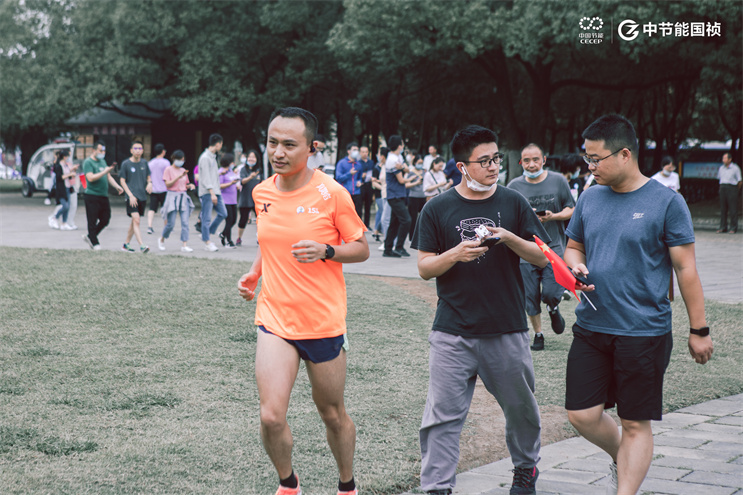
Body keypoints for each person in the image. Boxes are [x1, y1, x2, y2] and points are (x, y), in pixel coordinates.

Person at [564, 114, 714, 495]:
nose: (590, 166)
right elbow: (573, 245)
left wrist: (699, 330)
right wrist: (574, 263)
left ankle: (626, 488)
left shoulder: (667, 202)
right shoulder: (589, 197)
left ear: (625, 154)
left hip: (642, 332)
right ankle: (625, 457)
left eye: (596, 159)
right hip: (592, 326)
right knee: (581, 414)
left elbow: (686, 269)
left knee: (634, 422)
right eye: (587, 158)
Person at [237, 107, 369, 495]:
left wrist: (327, 250)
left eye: (289, 144)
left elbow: (361, 248)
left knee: (332, 413)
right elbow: (270, 240)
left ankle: (347, 485)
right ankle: (289, 484)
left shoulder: (332, 193)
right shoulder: (261, 191)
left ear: (311, 148)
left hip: (322, 321)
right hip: (275, 317)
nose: (278, 152)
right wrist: (255, 272)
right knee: (270, 415)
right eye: (272, 143)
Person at [411, 125, 549, 495]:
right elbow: (424, 268)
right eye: (483, 161)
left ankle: (525, 469)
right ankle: (437, 486)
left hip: (506, 327)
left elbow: (542, 257)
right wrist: (455, 254)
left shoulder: (513, 202)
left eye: (496, 158)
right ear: (462, 167)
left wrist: (510, 237)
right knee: (442, 417)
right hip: (451, 331)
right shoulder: (437, 208)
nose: (493, 166)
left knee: (521, 409)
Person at [507, 143, 575, 351]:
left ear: (544, 160)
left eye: (536, 159)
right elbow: (509, 217)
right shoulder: (513, 186)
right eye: (526, 160)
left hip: (553, 246)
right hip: (525, 249)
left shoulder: (558, 180)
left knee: (551, 292)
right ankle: (538, 334)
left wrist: (553, 216)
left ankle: (553, 307)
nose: (531, 164)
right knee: (530, 296)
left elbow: (571, 209)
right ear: (521, 162)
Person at [82, 141, 124, 250]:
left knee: (106, 219)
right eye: (100, 150)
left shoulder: (102, 161)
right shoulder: (88, 162)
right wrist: (104, 172)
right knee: (92, 220)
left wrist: (117, 186)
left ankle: (90, 236)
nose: (103, 153)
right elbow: (90, 178)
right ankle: (94, 242)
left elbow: (108, 176)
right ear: (94, 150)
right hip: (92, 195)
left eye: (104, 151)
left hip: (103, 195)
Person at [157, 150, 196, 252]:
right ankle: (162, 239)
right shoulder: (168, 169)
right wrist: (178, 177)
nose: (181, 162)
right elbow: (167, 184)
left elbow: (185, 184)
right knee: (171, 223)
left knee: (185, 222)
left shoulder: (183, 170)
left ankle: (184, 245)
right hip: (172, 196)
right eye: (180, 159)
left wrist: (190, 185)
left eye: (183, 160)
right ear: (174, 159)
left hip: (183, 196)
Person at [119, 140, 152, 253]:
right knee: (136, 220)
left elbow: (148, 176)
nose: (138, 151)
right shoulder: (126, 164)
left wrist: (150, 183)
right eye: (135, 148)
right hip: (131, 197)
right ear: (131, 150)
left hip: (142, 197)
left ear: (142, 151)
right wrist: (130, 195)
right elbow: (122, 181)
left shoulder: (144, 163)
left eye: (140, 148)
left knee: (134, 221)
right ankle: (142, 245)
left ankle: (126, 244)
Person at [383, 135, 413, 258]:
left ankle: (388, 249)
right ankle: (399, 247)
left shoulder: (398, 157)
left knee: (394, 223)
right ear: (399, 145)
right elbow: (401, 180)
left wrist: (403, 168)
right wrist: (411, 179)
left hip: (399, 194)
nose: (403, 146)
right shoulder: (392, 159)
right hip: (394, 195)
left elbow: (407, 169)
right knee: (406, 220)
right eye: (402, 144)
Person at [198, 133, 227, 252]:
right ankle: (207, 242)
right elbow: (205, 178)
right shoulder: (205, 158)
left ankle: (206, 233)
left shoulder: (213, 157)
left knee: (223, 213)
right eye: (221, 144)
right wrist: (212, 193)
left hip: (216, 191)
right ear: (218, 144)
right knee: (206, 218)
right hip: (208, 192)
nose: (221, 146)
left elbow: (211, 175)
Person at [236, 150, 262, 246]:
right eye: (250, 157)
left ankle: (260, 238)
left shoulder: (259, 170)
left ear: (257, 159)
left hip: (257, 199)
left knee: (260, 219)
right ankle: (239, 238)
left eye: (253, 157)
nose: (251, 159)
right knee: (243, 219)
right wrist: (250, 177)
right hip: (245, 198)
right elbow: (242, 181)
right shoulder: (243, 169)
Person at [49, 149, 76, 230]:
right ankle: (54, 217)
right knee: (65, 206)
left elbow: (67, 175)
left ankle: (64, 223)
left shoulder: (66, 165)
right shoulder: (58, 166)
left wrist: (72, 171)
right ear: (64, 157)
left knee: (68, 206)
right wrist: (70, 174)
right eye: (68, 156)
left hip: (67, 187)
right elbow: (60, 177)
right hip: (61, 189)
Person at [335, 142, 363, 219]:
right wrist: (349, 174)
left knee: (357, 214)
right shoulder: (341, 163)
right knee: (345, 215)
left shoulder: (359, 164)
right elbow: (338, 177)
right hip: (345, 193)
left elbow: (360, 177)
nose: (356, 152)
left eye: (357, 150)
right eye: (354, 150)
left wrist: (359, 181)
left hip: (356, 193)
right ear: (348, 151)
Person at [147, 143, 169, 234]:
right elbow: (168, 175)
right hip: (164, 189)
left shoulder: (150, 163)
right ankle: (166, 227)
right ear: (163, 151)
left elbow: (148, 176)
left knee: (152, 209)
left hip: (154, 189)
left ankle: (149, 226)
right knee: (165, 209)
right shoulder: (166, 162)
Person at [218, 153, 239, 249]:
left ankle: (223, 234)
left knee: (234, 220)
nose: (233, 163)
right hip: (225, 200)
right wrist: (230, 183)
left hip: (233, 200)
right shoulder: (221, 172)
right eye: (232, 161)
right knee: (229, 220)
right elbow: (219, 185)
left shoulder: (230, 171)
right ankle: (229, 241)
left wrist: (236, 184)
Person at [717, 152, 741, 234]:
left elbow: (739, 181)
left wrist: (736, 190)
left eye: (725, 158)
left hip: (732, 188)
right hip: (723, 187)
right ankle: (723, 227)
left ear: (730, 159)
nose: (723, 160)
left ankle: (733, 227)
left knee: (733, 209)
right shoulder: (721, 168)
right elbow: (719, 178)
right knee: (723, 209)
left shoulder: (735, 168)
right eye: (723, 158)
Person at [405, 154, 426, 242]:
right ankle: (412, 237)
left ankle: (422, 236)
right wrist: (416, 183)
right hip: (413, 197)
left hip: (423, 197)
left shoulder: (425, 172)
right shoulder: (411, 172)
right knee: (413, 218)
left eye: (421, 163)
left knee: (424, 218)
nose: (420, 164)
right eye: (418, 162)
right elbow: (407, 185)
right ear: (415, 163)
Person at [371, 147, 388, 243]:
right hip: (379, 195)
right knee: (383, 213)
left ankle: (376, 231)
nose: (378, 156)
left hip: (384, 193)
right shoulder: (376, 168)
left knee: (381, 213)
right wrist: (383, 187)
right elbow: (374, 183)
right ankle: (377, 231)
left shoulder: (385, 167)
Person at [358, 146, 375, 229]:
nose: (365, 154)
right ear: (360, 153)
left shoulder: (371, 162)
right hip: (361, 185)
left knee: (368, 205)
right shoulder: (358, 163)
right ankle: (359, 224)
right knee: (359, 206)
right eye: (363, 152)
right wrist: (361, 176)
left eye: (366, 152)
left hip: (369, 185)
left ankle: (367, 224)